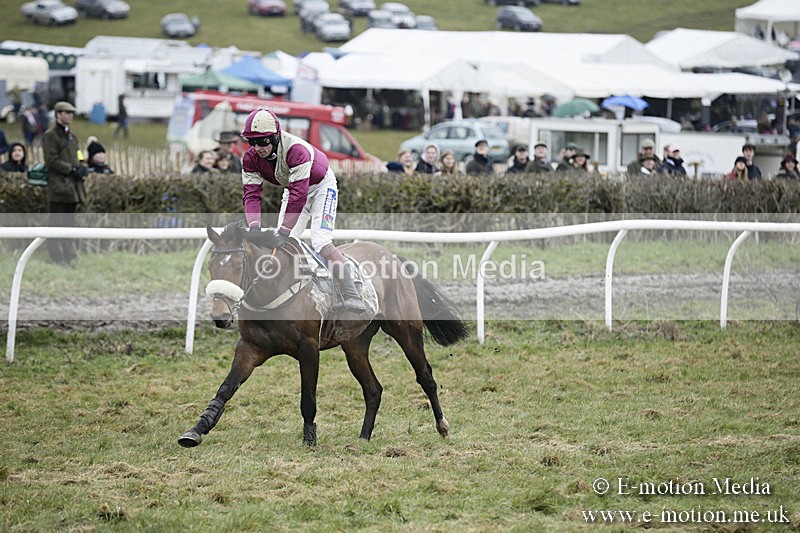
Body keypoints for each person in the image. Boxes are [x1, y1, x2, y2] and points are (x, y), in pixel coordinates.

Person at [239, 108, 366, 313]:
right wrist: (254, 226)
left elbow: (299, 197)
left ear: (275, 137)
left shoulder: (296, 150)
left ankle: (352, 293)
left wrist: (282, 232)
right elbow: (251, 195)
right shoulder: (250, 158)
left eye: (263, 141)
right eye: (252, 142)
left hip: (321, 186)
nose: (257, 148)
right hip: (295, 186)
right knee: (287, 243)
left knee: (320, 241)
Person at [42, 101, 87, 268]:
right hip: (59, 186)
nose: (70, 116)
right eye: (66, 113)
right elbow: (51, 160)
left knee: (69, 223)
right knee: (56, 223)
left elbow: (78, 154)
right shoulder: (51, 135)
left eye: (71, 113)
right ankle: (56, 256)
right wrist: (71, 169)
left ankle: (69, 254)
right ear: (58, 114)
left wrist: (82, 166)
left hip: (73, 187)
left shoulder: (72, 136)